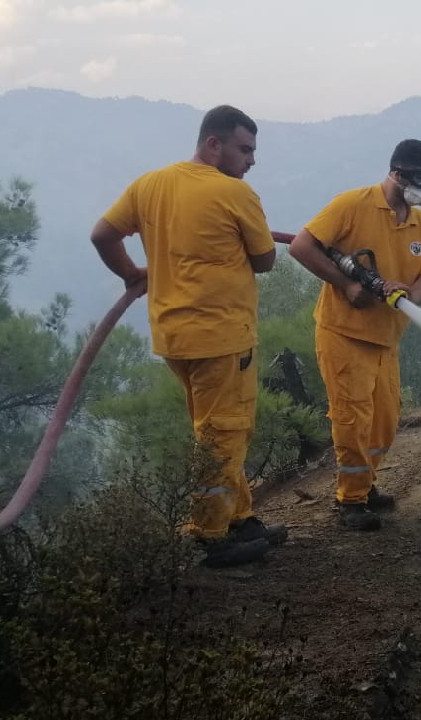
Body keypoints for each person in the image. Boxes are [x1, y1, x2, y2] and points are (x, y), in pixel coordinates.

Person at [90, 104, 286, 568]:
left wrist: (131, 273)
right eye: (244, 149)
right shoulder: (235, 193)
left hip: (174, 337)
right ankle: (210, 535)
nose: (251, 161)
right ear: (212, 144)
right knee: (224, 433)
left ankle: (239, 518)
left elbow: (102, 234)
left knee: (215, 431)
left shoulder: (149, 184)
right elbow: (265, 260)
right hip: (222, 338)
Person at [288, 139, 421, 531]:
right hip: (343, 334)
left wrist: (411, 295)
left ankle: (366, 483)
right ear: (399, 172)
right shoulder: (352, 205)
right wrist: (347, 284)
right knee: (352, 419)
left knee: (384, 421)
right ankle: (351, 500)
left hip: (385, 339)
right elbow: (302, 247)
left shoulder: (419, 224)